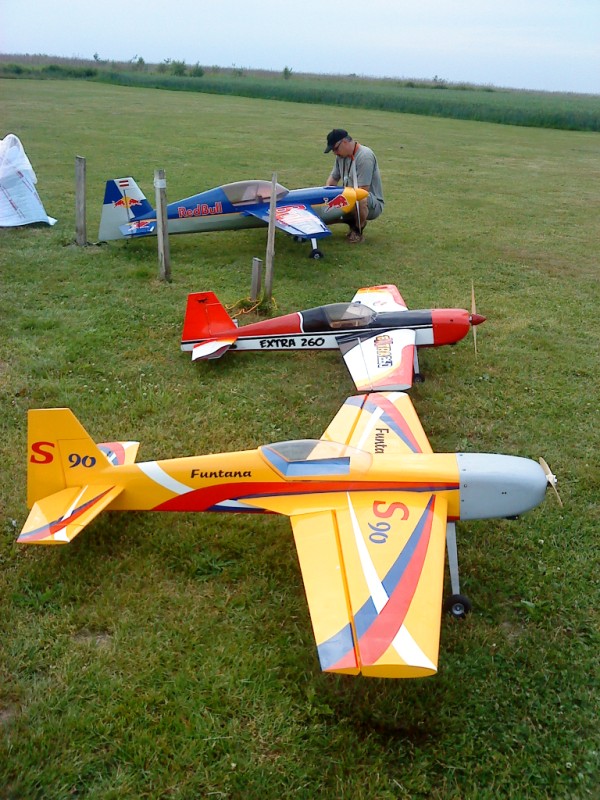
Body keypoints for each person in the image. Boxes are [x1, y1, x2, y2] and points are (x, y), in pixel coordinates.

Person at [324, 128, 384, 243]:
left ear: (344, 142)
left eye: (336, 149)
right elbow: (332, 180)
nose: (335, 153)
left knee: (360, 199)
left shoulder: (365, 156)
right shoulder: (340, 157)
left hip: (371, 203)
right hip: (349, 197)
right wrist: (327, 200)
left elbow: (363, 191)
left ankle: (358, 230)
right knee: (324, 213)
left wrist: (339, 204)